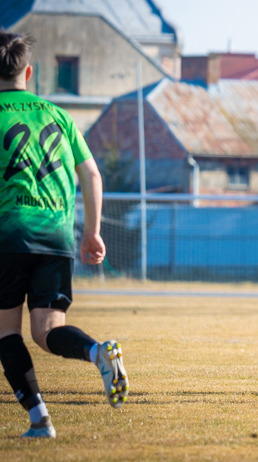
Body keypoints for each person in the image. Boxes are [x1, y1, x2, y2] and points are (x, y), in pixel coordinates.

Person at [0, 31, 129, 439]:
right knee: (48, 330)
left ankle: (40, 419)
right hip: (56, 236)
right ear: (29, 73)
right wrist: (91, 232)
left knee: (7, 331)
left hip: (9, 234)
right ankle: (96, 352)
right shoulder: (58, 115)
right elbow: (91, 173)